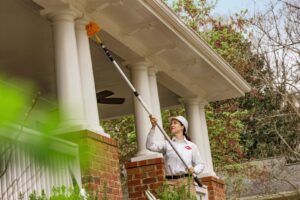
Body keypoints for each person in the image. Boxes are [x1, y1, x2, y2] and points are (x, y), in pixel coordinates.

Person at [146, 115, 205, 196]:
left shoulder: (192, 146)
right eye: (171, 123)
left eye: (175, 123)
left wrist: (194, 169)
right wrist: (153, 127)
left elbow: (200, 164)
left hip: (186, 182)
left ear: (182, 127)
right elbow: (149, 146)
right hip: (169, 183)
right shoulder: (167, 144)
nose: (172, 125)